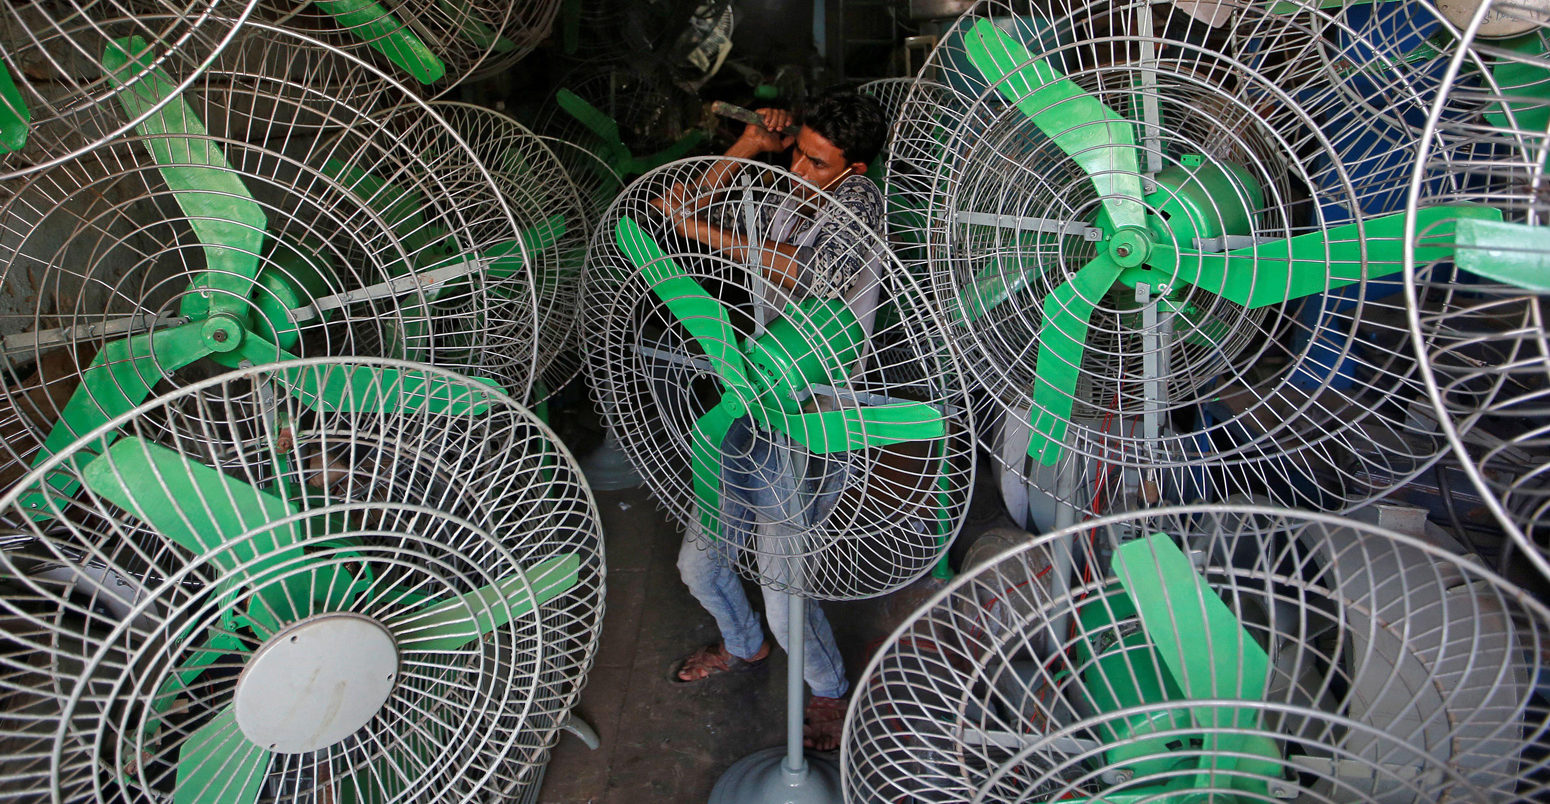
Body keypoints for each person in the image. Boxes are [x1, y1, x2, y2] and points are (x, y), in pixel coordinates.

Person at [649, 87, 888, 752]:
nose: (800, 171)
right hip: (748, 399)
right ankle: (742, 646)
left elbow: (806, 272)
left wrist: (702, 235)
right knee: (700, 564)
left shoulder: (861, 202)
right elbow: (681, 206)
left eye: (816, 162)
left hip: (814, 419)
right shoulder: (783, 187)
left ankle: (830, 691)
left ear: (852, 169)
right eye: (798, 155)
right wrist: (750, 147)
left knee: (785, 590)